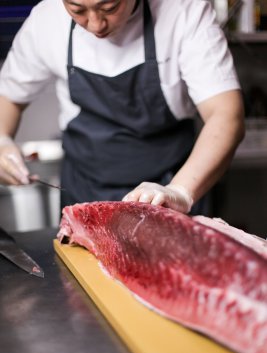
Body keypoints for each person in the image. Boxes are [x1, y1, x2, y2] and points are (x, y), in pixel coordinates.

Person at [0, 0, 244, 214]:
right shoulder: (46, 19)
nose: (96, 24)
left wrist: (180, 191)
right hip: (84, 189)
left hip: (170, 185)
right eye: (77, 10)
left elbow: (226, 115)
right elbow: (8, 96)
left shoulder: (184, 12)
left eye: (109, 7)